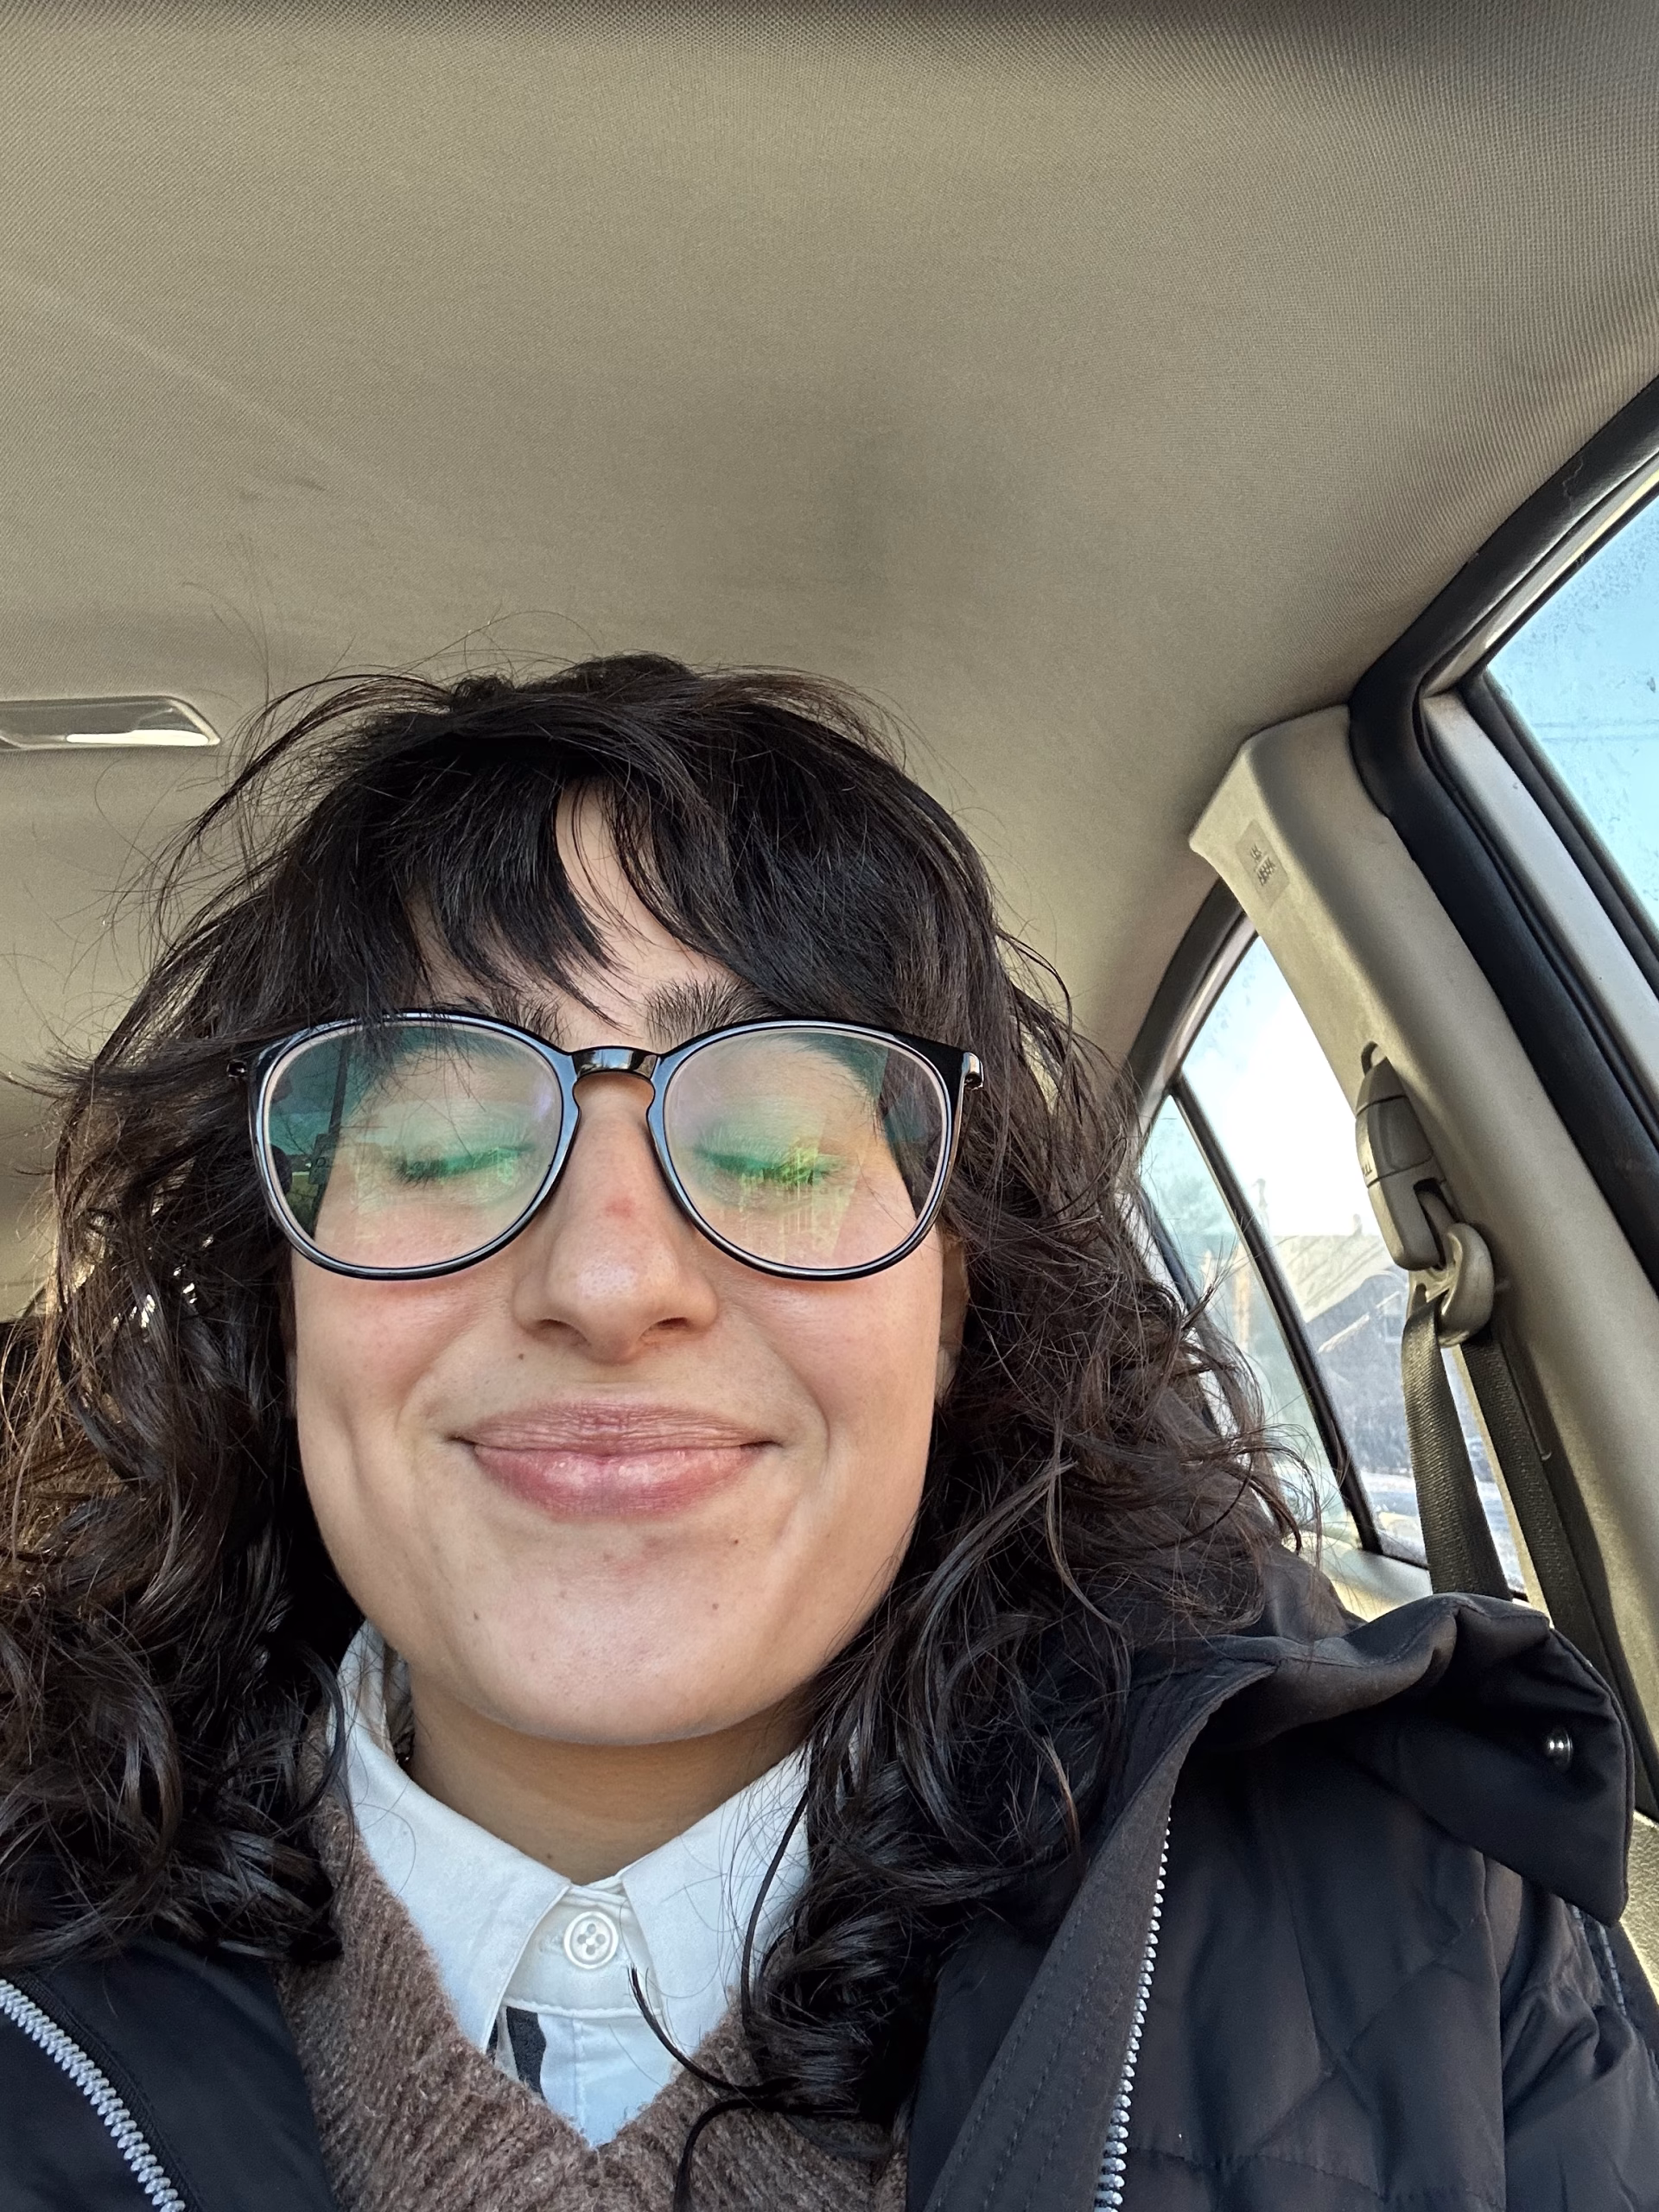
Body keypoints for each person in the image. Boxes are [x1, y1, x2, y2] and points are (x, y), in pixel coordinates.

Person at [0, 656, 1655, 2212]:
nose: (610, 1281)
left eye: (783, 1153)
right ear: (278, 1302)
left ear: (947, 1311)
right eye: (437, 1148)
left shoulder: (1442, 1930)